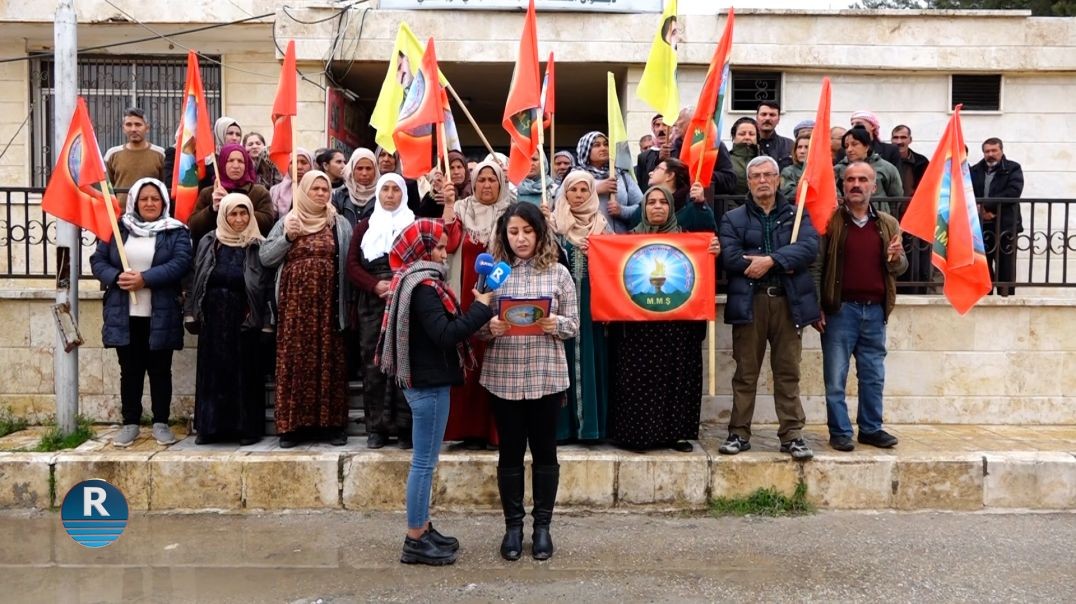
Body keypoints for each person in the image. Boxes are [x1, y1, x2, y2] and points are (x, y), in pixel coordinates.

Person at [378, 219, 496, 566]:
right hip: (428, 385)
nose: (446, 253)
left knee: (425, 463)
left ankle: (424, 527)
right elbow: (446, 335)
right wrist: (481, 308)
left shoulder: (414, 282)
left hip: (427, 381)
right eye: (440, 247)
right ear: (422, 251)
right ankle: (415, 538)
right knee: (424, 464)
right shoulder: (423, 288)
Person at [482, 203, 579, 561]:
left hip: (546, 376)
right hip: (503, 376)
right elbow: (476, 323)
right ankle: (512, 528)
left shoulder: (558, 273)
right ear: (504, 236)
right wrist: (487, 327)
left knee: (544, 452)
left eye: (527, 231)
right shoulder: (494, 274)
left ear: (539, 232)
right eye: (513, 232)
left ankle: (542, 528)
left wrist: (558, 325)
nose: (520, 238)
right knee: (508, 452)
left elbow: (574, 324)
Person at [718, 156, 820, 461]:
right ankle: (739, 433)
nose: (763, 180)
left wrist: (771, 261)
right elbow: (731, 258)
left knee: (788, 371)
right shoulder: (733, 218)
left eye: (768, 175)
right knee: (745, 372)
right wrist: (779, 260)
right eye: (756, 176)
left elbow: (809, 248)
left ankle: (792, 435)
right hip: (750, 303)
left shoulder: (797, 214)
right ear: (748, 182)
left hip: (789, 304)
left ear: (778, 180)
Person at [608, 186, 720, 452]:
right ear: (643, 208)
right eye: (651, 202)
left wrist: (712, 251)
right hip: (638, 326)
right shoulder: (628, 239)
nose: (657, 207)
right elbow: (613, 272)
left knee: (677, 378)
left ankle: (677, 433)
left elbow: (700, 274)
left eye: (663, 202)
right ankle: (637, 435)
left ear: (671, 207)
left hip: (678, 325)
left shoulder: (688, 241)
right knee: (638, 381)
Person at [91, 178, 192, 448]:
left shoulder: (175, 230)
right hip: (124, 314)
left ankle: (161, 422)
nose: (149, 203)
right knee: (130, 370)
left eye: (155, 199)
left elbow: (181, 262)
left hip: (161, 314)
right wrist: (117, 276)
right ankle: (130, 423)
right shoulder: (118, 228)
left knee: (160, 370)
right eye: (144, 198)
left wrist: (144, 279)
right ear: (135, 201)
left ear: (163, 203)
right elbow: (98, 261)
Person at [813, 161, 906, 451]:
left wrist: (896, 256)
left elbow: (900, 268)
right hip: (841, 311)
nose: (856, 184)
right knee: (835, 378)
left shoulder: (888, 223)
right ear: (842, 185)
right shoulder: (830, 222)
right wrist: (818, 306)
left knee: (873, 376)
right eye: (850, 179)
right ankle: (840, 431)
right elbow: (817, 267)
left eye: (863, 179)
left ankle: (870, 428)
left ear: (874, 186)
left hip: (875, 311)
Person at [260, 170, 353, 448]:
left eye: (325, 189)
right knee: (295, 362)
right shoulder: (289, 220)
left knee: (329, 362)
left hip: (328, 306)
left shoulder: (340, 223)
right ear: (304, 192)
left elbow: (348, 263)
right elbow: (266, 257)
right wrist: (287, 237)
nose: (322, 194)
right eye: (316, 189)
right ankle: (292, 428)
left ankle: (330, 426)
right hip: (295, 308)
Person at [186, 193, 271, 446]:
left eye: (243, 213)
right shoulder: (210, 242)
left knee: (244, 375)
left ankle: (246, 430)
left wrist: (266, 321)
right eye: (233, 213)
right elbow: (196, 276)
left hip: (244, 317)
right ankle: (209, 428)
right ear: (223, 215)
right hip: (213, 318)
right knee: (213, 374)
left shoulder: (258, 245)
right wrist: (192, 311)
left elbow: (266, 285)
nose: (239, 219)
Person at [441, 159, 514, 448]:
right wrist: (448, 205)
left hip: (501, 296)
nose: (486, 185)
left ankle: (495, 431)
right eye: (481, 180)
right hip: (466, 296)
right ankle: (469, 430)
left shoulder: (511, 213)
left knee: (497, 360)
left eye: (492, 180)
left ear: (501, 183)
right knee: (468, 360)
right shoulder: (461, 210)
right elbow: (447, 245)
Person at [346, 173, 416, 449]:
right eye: (385, 189)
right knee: (374, 364)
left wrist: (401, 284)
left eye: (395, 190)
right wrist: (375, 285)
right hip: (373, 302)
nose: (389, 195)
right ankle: (377, 428)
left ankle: (405, 428)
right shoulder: (365, 227)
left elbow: (423, 257)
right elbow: (352, 265)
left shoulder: (413, 224)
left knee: (404, 363)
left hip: (406, 298)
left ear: (403, 194)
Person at [548, 170, 612, 442]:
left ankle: (591, 429)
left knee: (591, 359)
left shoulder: (602, 225)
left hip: (592, 305)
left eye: (584, 190)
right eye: (573, 190)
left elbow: (614, 268)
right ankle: (562, 429)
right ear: (564, 193)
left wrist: (598, 253)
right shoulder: (554, 225)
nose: (578, 195)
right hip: (559, 307)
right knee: (561, 361)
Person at [189, 144, 275, 245]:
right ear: (222, 164)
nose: (236, 166)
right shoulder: (209, 193)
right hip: (215, 252)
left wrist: (232, 202)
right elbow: (194, 227)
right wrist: (212, 209)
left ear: (246, 164)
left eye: (240, 161)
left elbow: (267, 224)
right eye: (230, 161)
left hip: (249, 250)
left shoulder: (259, 192)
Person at [971, 138, 1024, 297]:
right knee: (982, 266)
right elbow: (968, 193)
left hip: (1005, 225)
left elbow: (1013, 192)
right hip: (981, 225)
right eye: (987, 151)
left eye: (994, 151)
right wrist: (980, 211)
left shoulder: (1013, 168)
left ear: (1001, 151)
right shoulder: (975, 170)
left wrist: (989, 208)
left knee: (1006, 267)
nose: (991, 154)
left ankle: (1006, 299)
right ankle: (984, 298)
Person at [890, 125, 933, 293]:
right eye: (896, 138)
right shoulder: (887, 159)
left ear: (910, 139)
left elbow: (928, 186)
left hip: (916, 216)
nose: (899, 142)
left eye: (903, 138)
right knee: (895, 253)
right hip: (894, 215)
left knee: (917, 257)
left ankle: (917, 291)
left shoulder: (921, 161)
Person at [576, 131, 642, 233]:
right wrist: (595, 190)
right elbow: (563, 205)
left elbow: (642, 206)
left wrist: (622, 211)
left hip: (622, 241)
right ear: (586, 150)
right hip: (589, 241)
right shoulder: (576, 176)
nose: (603, 148)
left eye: (606, 144)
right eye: (597, 145)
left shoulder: (622, 175)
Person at [835, 127, 903, 214]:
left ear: (866, 147)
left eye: (854, 144)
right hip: (847, 219)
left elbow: (896, 197)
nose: (849, 150)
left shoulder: (886, 168)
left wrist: (889, 218)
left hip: (879, 219)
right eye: (846, 146)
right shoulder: (838, 169)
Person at [104, 107, 165, 200]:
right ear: (123, 128)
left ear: (147, 128)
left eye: (138, 124)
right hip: (120, 213)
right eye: (129, 124)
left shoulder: (160, 154)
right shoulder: (112, 154)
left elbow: (165, 188)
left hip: (150, 212)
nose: (133, 129)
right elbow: (106, 189)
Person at [646, 157, 716, 232]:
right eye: (652, 202)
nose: (650, 173)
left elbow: (708, 236)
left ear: (670, 175)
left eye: (657, 169)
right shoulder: (644, 207)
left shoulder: (692, 210)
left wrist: (700, 205)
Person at [332, 148, 381, 226]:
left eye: (368, 168)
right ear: (352, 170)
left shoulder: (383, 195)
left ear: (375, 170)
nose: (364, 173)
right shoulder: (340, 196)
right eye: (359, 168)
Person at [269, 148, 315, 217]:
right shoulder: (275, 190)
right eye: (293, 162)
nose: (299, 167)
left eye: (304, 162)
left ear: (311, 166)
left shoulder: (319, 189)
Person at [729, 117, 762, 197]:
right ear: (734, 136)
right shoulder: (726, 160)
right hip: (731, 207)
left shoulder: (765, 160)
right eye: (742, 134)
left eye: (751, 134)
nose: (747, 137)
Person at [755, 101, 793, 169]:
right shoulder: (749, 145)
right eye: (763, 114)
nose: (767, 118)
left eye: (772, 115)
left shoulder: (789, 145)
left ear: (778, 120)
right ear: (757, 118)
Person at [636, 114, 670, 185]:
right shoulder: (643, 157)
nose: (661, 129)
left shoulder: (680, 150)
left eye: (665, 124)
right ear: (653, 129)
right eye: (657, 125)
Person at [779, 131, 812, 200]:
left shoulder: (822, 171)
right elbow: (787, 195)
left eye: (807, 147)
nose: (802, 151)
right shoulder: (788, 172)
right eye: (799, 147)